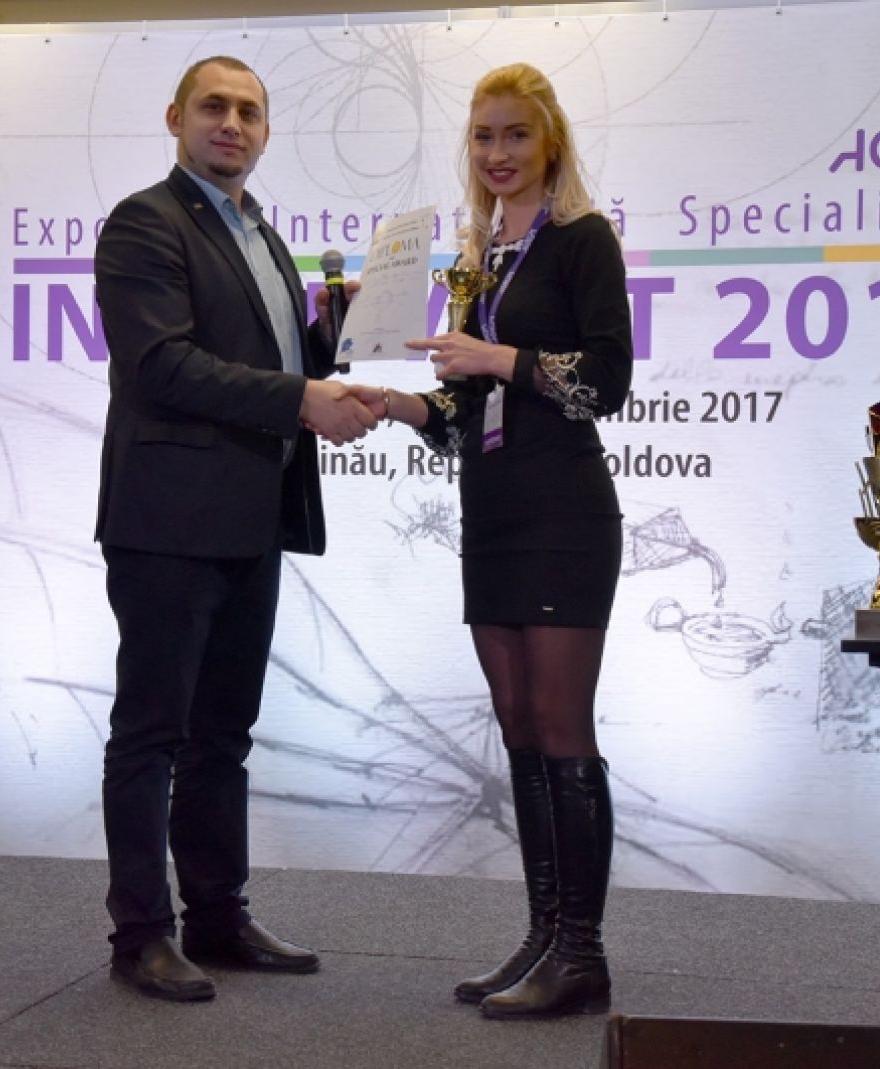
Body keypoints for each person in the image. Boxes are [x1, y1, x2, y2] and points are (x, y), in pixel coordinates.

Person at [92, 55, 383, 1002]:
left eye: (249, 112)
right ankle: (142, 933)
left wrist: (334, 341)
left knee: (224, 733)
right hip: (167, 518)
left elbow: (272, 359)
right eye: (214, 107)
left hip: (252, 516)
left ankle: (218, 915)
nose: (232, 123)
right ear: (176, 117)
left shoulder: (262, 230)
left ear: (265, 131)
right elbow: (163, 365)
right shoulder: (145, 222)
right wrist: (302, 396)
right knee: (152, 733)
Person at [374, 63, 633, 1019]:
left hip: (564, 514)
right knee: (518, 726)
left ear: (549, 140)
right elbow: (461, 415)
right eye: (484, 136)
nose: (498, 153)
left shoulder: (582, 239)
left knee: (562, 727)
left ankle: (583, 955)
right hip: (491, 514)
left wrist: (499, 355)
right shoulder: (479, 256)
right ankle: (543, 935)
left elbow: (606, 381)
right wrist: (395, 402)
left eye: (516, 134)